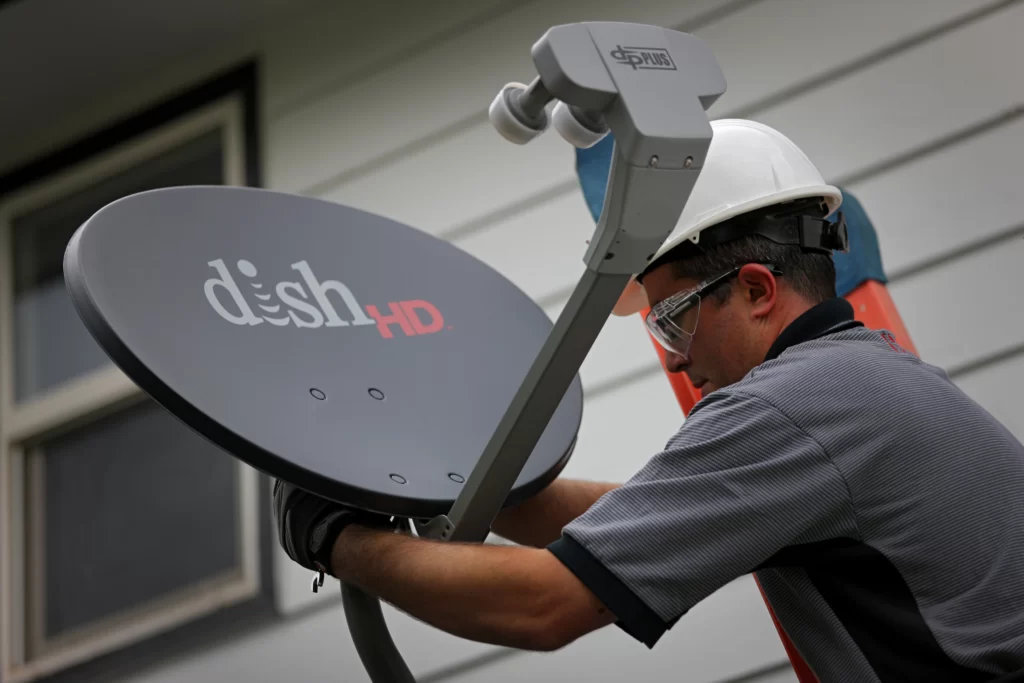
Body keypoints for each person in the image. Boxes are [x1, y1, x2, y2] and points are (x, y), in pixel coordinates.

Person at [273, 119, 1024, 681]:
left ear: (757, 290)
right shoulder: (860, 380)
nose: (673, 351)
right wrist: (447, 475)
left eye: (673, 315)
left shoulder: (791, 408)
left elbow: (543, 606)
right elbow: (640, 515)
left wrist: (335, 537)